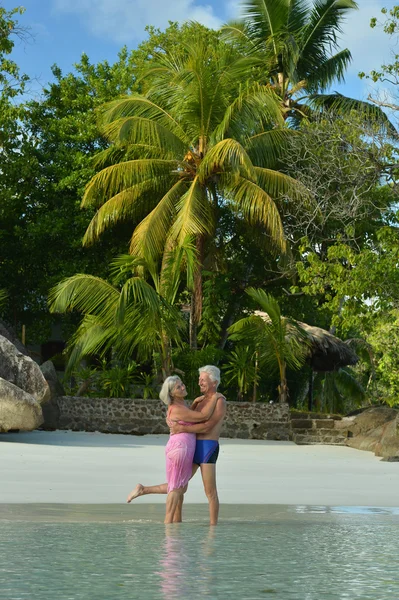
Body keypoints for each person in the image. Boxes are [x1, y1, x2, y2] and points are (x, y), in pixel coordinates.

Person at [127, 365, 226, 526]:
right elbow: (186, 417)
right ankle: (176, 522)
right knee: (180, 486)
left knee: (209, 491)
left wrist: (181, 428)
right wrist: (177, 422)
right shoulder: (198, 401)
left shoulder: (220, 400)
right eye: (199, 379)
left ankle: (213, 529)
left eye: (203, 379)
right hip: (192, 447)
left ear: (214, 381)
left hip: (207, 447)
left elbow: (207, 426)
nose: (199, 382)